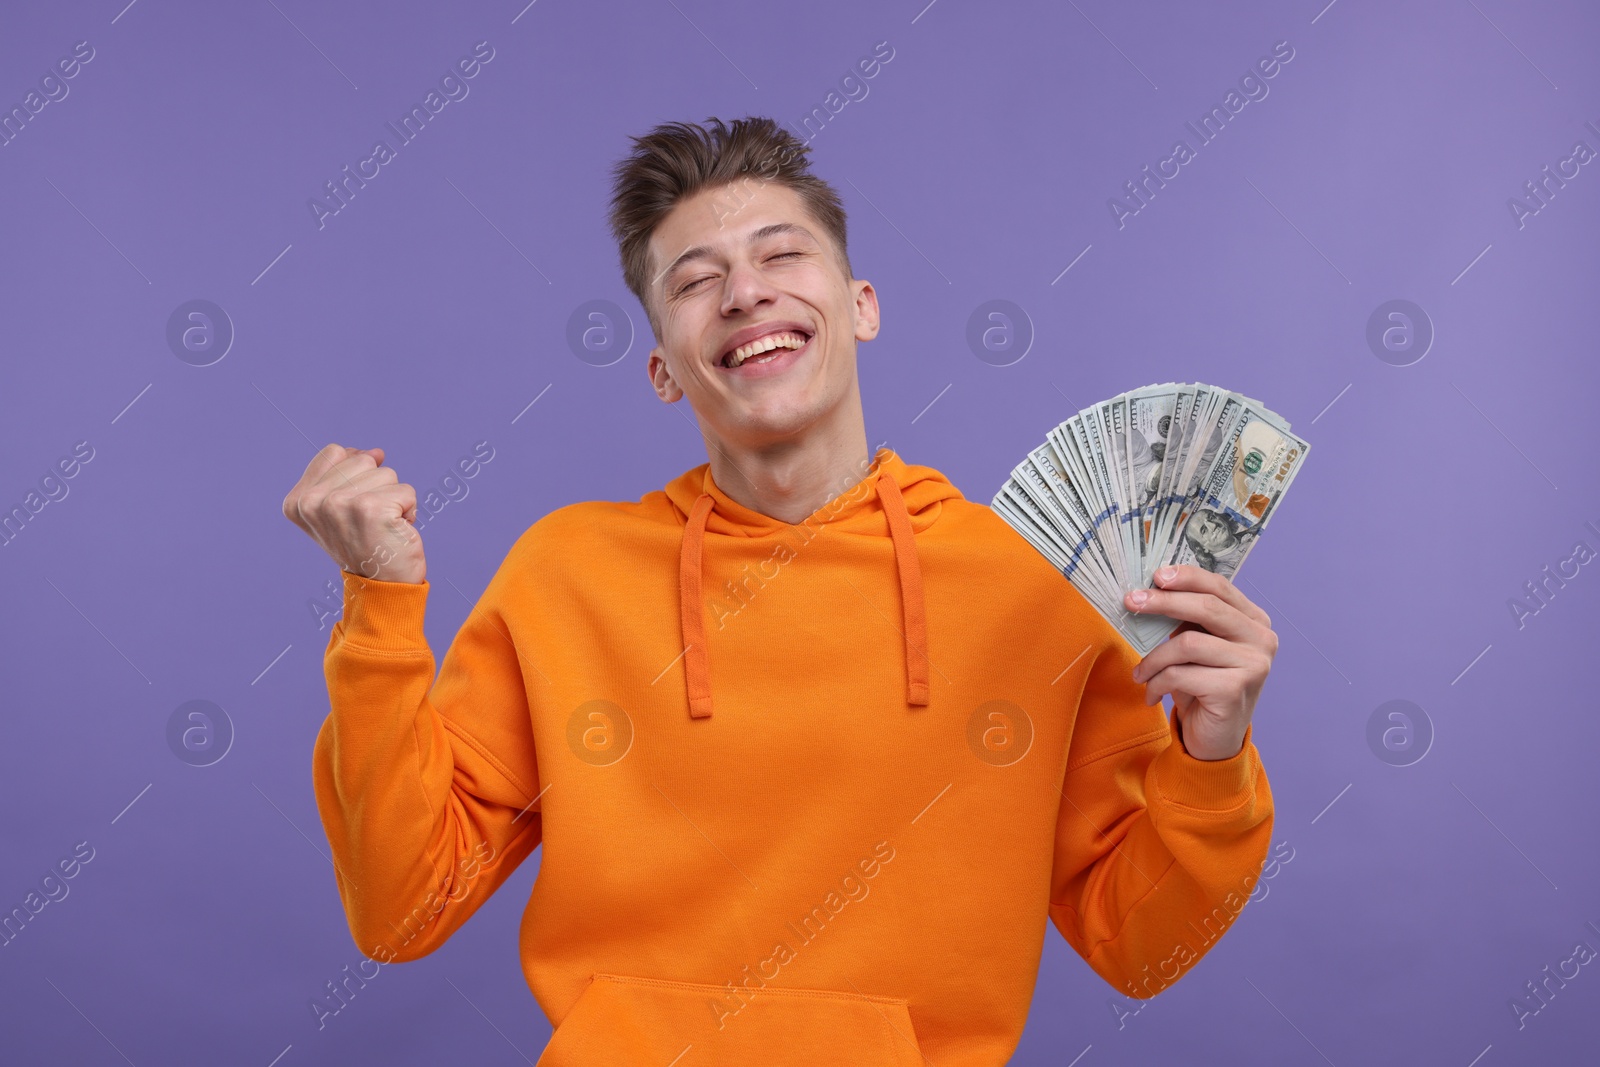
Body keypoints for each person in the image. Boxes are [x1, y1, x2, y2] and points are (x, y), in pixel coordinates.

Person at [281, 116, 1280, 1066]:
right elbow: (402, 908)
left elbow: (1139, 947)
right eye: (694, 280)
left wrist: (1213, 749)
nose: (745, 293)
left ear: (862, 306)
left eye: (781, 254)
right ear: (663, 369)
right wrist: (379, 607)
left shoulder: (1031, 587)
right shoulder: (565, 572)